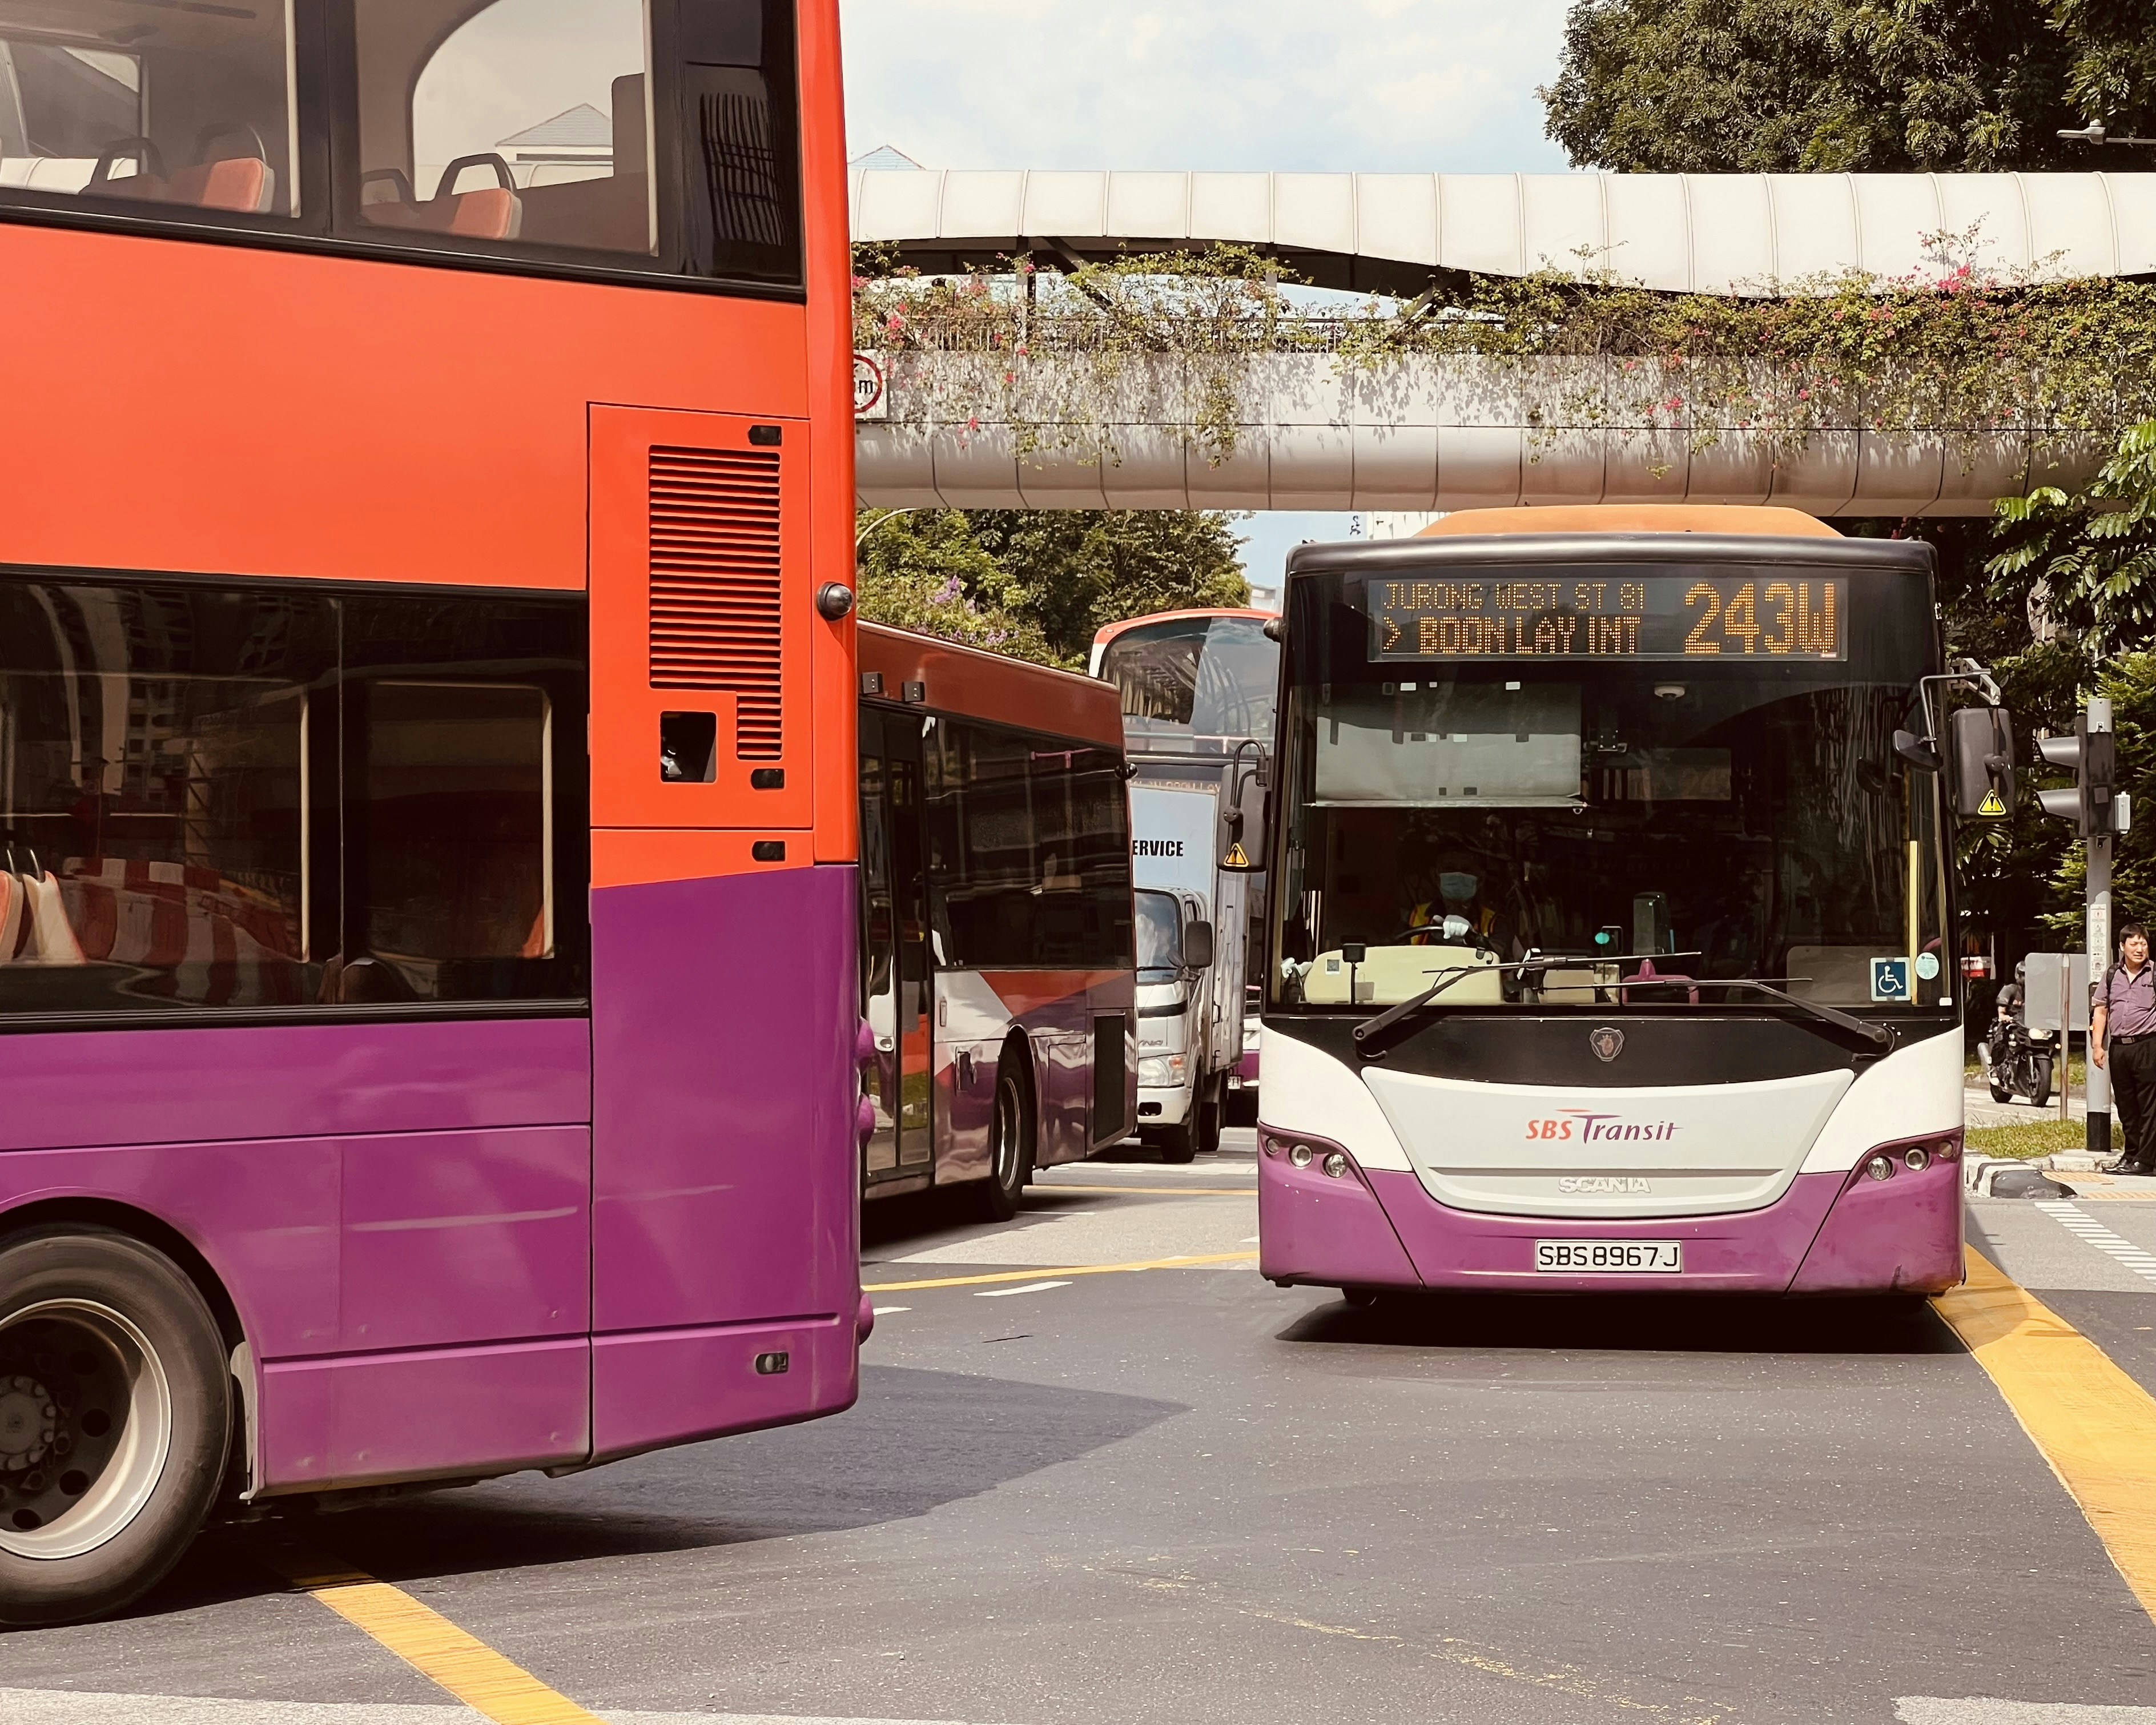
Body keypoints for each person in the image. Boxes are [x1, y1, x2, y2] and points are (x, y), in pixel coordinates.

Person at [2093, 923, 2156, 1175]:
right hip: (2119, 1048)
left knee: (2149, 1105)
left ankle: (2146, 1160)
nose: (2140, 949)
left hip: (2147, 1045)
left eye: (2143, 944)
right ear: (2122, 947)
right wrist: (2098, 1046)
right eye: (2134, 944)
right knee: (2126, 1106)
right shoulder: (2111, 975)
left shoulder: (2153, 974)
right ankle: (2130, 1156)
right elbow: (2101, 1009)